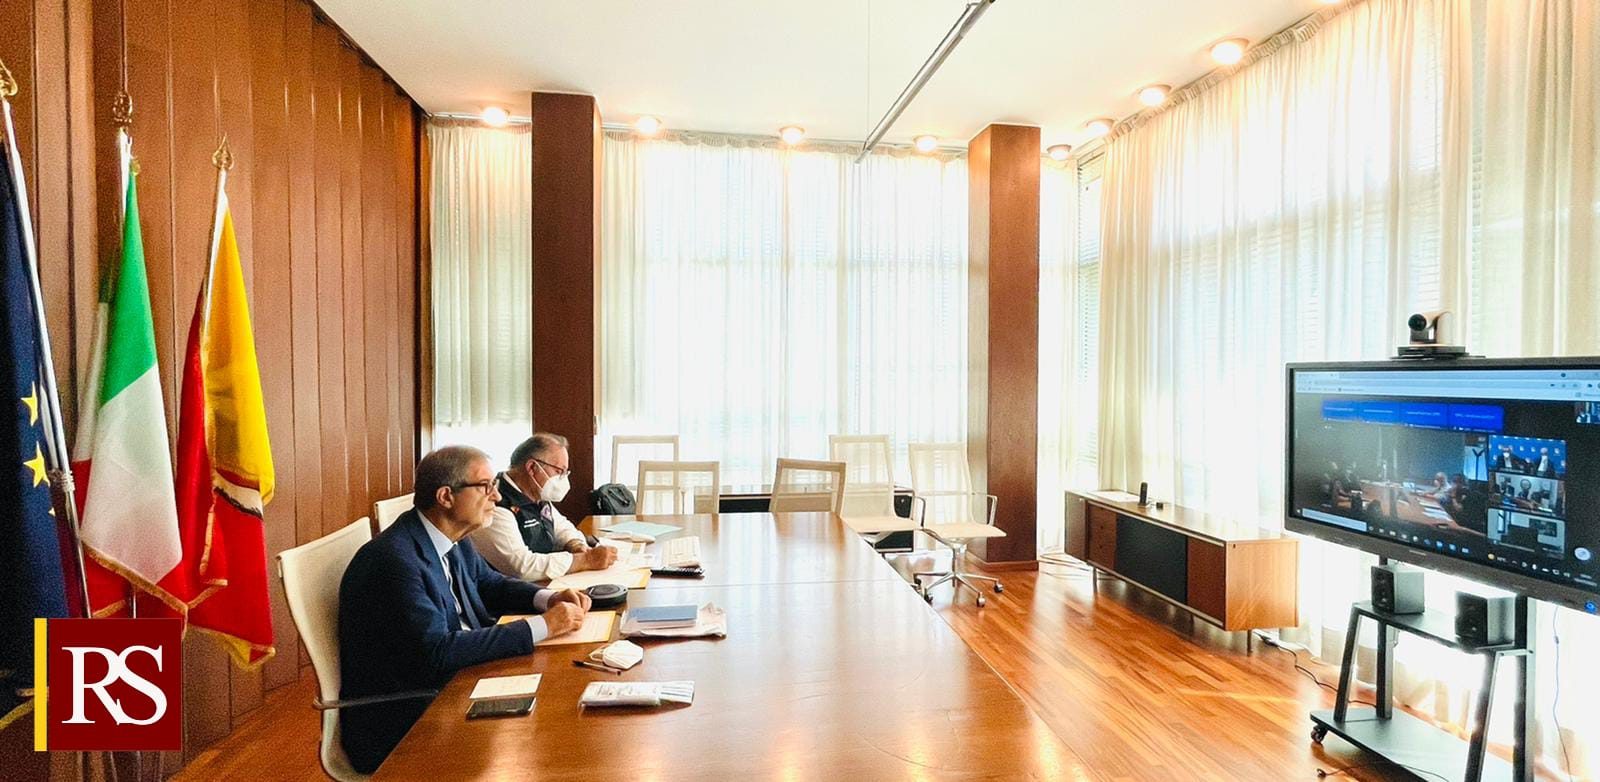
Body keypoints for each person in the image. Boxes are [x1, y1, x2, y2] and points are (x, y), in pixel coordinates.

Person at [337, 445, 591, 774]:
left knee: (564, 706)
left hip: (459, 682)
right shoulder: (394, 561)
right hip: (411, 717)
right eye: (486, 487)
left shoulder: (448, 536)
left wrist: (547, 599)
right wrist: (544, 626)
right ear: (446, 496)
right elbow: (437, 651)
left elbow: (491, 584)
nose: (497, 497)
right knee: (551, 743)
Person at [470, 433, 619, 581]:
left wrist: (576, 544)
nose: (563, 479)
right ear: (532, 468)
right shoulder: (495, 504)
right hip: (510, 597)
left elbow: (562, 527)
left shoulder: (536, 494)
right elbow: (521, 567)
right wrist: (586, 560)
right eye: (559, 471)